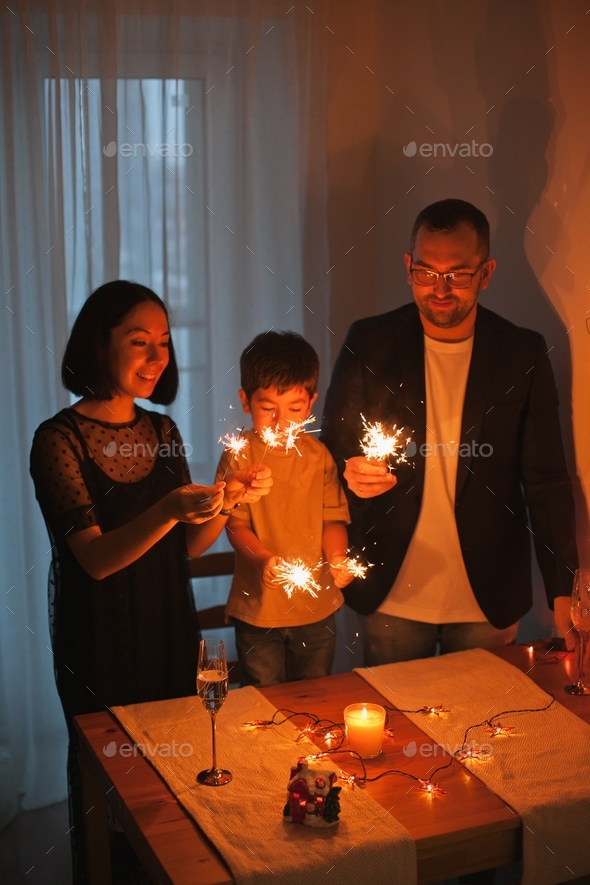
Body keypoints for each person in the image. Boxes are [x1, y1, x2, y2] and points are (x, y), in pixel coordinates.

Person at [30, 280, 272, 883]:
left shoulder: (163, 432)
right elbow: (96, 560)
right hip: (100, 637)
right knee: (113, 785)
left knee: (174, 780)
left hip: (168, 625)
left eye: (163, 343)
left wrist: (224, 496)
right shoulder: (57, 440)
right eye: (140, 342)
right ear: (98, 344)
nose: (157, 357)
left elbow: (185, 548)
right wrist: (168, 508)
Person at [321, 199, 578, 667]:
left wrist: (564, 588)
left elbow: (546, 480)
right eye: (426, 271)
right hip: (390, 590)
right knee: (396, 731)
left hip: (489, 594)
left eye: (457, 274)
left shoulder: (522, 352)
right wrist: (348, 471)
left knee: (486, 734)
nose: (440, 289)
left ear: (486, 272)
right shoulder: (369, 341)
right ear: (408, 267)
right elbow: (331, 452)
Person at [216, 331, 352, 686]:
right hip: (259, 612)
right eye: (267, 408)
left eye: (294, 409)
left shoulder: (318, 457)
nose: (281, 421)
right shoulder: (239, 455)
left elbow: (333, 519)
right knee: (262, 706)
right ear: (246, 401)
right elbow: (234, 525)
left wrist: (337, 558)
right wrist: (262, 559)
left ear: (311, 404)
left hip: (317, 611)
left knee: (316, 696)